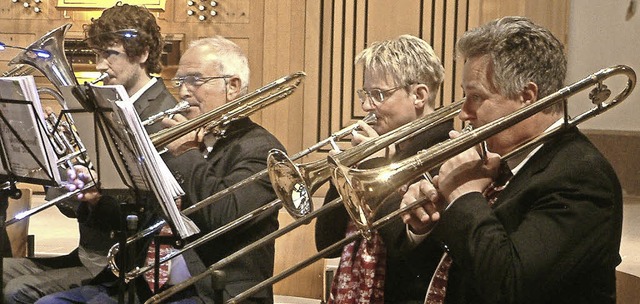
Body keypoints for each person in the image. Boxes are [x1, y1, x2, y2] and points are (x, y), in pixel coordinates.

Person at [37, 35, 285, 303]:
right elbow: (139, 218)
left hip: (212, 291)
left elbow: (224, 218)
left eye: (196, 80)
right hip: (148, 284)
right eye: (180, 81)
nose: (184, 91)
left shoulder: (261, 149)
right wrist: (97, 202)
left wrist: (187, 154)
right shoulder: (185, 140)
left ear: (233, 86)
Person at [400, 16, 623, 303]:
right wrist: (428, 223)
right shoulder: (504, 162)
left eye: (476, 97)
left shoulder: (582, 177)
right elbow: (456, 272)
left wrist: (464, 197)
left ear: (527, 96)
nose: (464, 113)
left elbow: (510, 286)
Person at [2, 3, 179, 303]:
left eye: (110, 54)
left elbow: (150, 208)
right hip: (88, 253)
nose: (98, 65)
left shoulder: (164, 114)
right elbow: (71, 208)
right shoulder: (101, 106)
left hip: (118, 263)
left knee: (17, 291)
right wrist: (49, 151)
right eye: (98, 54)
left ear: (143, 55)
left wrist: (94, 199)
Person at [315, 34, 452, 304]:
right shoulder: (386, 149)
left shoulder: (446, 154)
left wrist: (376, 165)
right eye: (365, 94)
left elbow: (404, 245)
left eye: (378, 94)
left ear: (419, 95)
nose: (366, 106)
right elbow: (326, 244)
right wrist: (345, 171)